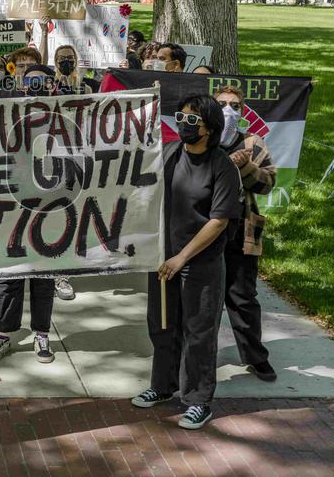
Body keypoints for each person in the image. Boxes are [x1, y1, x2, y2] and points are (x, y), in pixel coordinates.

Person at [132, 94, 243, 431]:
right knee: (162, 326)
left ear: (209, 128)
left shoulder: (222, 167)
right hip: (163, 260)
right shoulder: (167, 155)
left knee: (198, 333)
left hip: (199, 265)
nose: (183, 124)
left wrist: (182, 257)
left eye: (192, 120)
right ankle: (163, 386)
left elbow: (218, 221)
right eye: (180, 117)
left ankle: (198, 401)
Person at [215, 86, 278, 381]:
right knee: (204, 299)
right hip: (204, 232)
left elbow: (267, 184)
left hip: (241, 231)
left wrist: (247, 166)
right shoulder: (202, 138)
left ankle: (255, 356)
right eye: (223, 104)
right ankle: (198, 355)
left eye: (235, 105)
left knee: (243, 297)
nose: (229, 110)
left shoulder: (252, 142)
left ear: (243, 111)